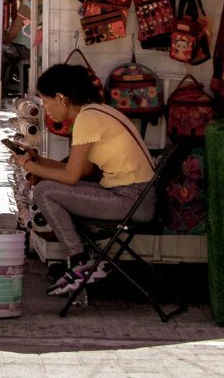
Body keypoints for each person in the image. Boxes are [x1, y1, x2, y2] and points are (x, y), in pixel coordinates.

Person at [13, 62, 156, 295]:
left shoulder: (87, 120)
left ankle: (79, 261)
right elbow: (83, 171)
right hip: (134, 196)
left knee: (44, 191)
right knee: (48, 187)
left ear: (61, 98)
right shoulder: (96, 111)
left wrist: (29, 166)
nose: (45, 108)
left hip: (132, 200)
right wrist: (39, 161)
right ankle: (81, 260)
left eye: (46, 101)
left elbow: (70, 177)